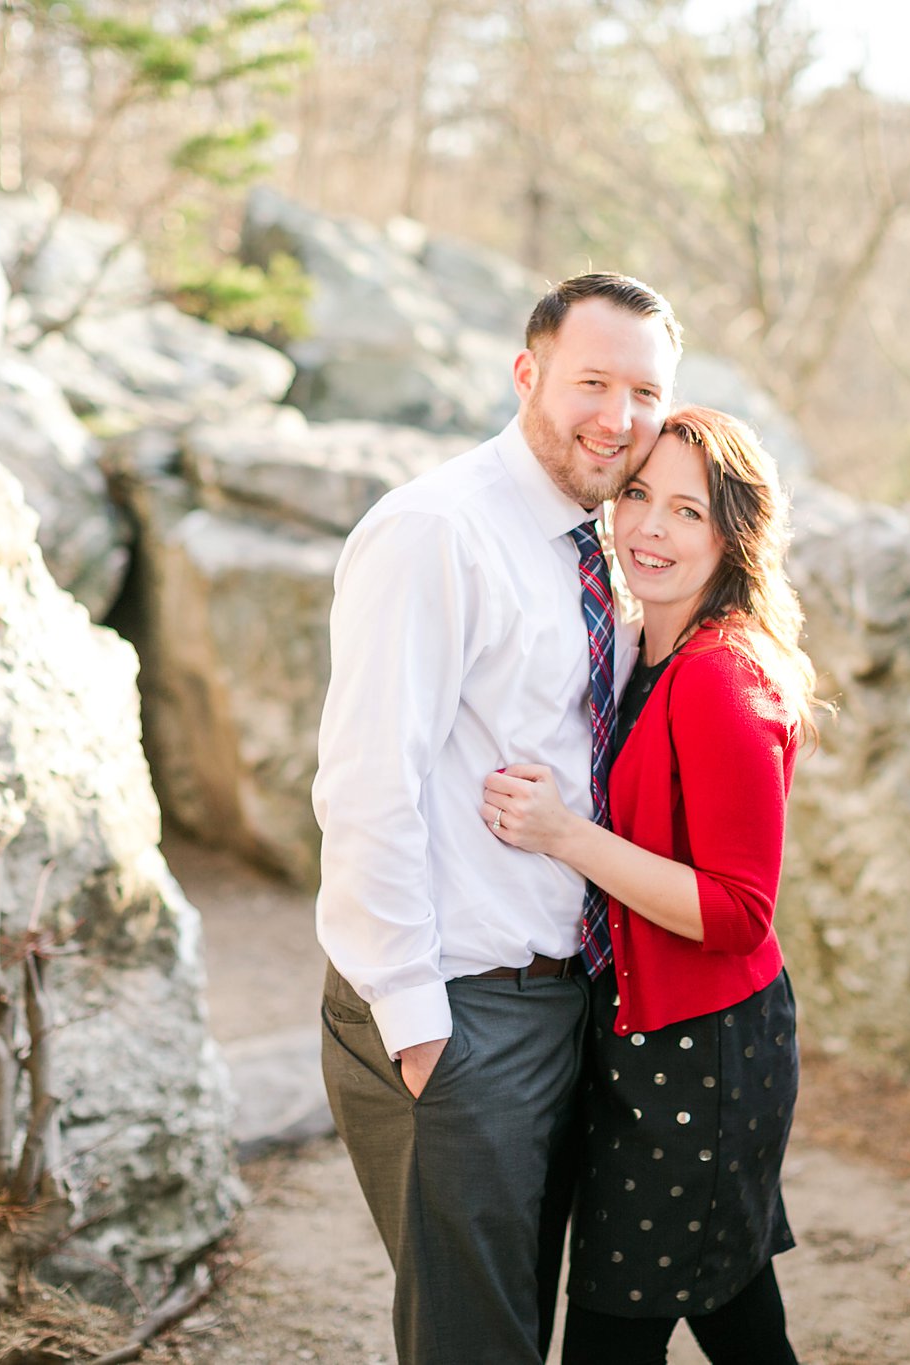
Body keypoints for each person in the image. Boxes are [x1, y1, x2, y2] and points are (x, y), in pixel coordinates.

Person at [313, 272, 682, 1365]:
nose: (617, 418)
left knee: (525, 1327)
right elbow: (366, 782)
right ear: (527, 375)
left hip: (568, 1005)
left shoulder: (601, 536)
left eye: (645, 393)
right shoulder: (434, 530)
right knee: (472, 1345)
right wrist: (417, 1029)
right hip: (459, 1010)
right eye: (591, 382)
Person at [482, 406, 820, 1365]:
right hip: (646, 1041)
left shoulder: (721, 676)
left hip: (701, 1056)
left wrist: (563, 835)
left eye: (688, 511)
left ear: (732, 537)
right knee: (732, 1305)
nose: (651, 529)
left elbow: (737, 911)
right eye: (638, 495)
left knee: (617, 1331)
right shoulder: (647, 653)